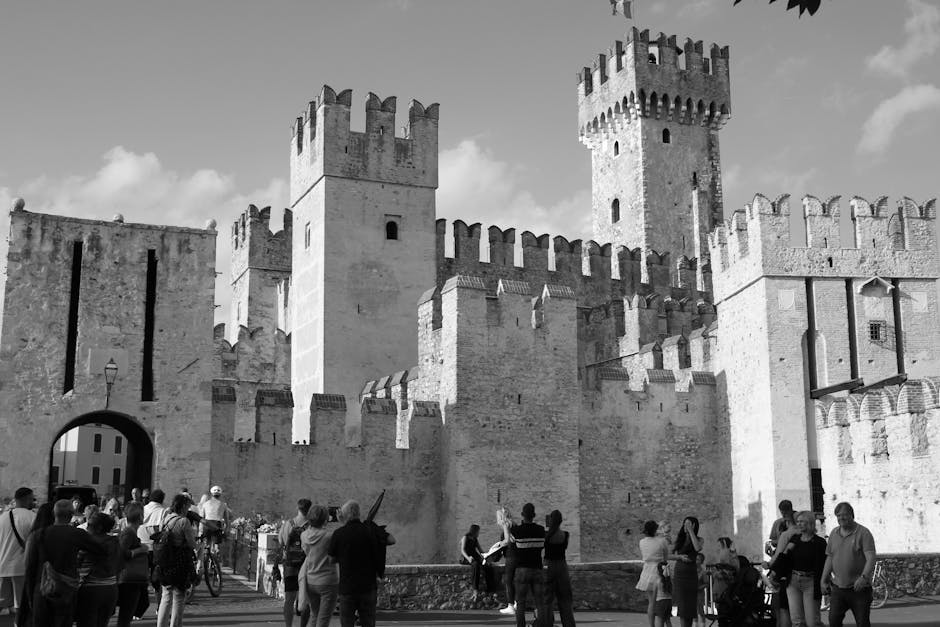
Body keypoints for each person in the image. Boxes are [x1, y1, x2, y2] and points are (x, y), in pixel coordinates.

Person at [28, 499, 105, 627]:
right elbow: (100, 550)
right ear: (71, 515)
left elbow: (30, 567)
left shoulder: (38, 535)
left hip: (41, 586)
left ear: (54, 514)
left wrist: (30, 596)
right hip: (66, 587)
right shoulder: (76, 534)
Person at [820, 502, 876, 627]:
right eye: (838, 516)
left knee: (862, 623)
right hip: (838, 588)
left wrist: (864, 578)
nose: (841, 518)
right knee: (833, 621)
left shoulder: (863, 533)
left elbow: (871, 558)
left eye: (844, 515)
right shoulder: (834, 533)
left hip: (859, 589)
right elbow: (830, 557)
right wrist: (823, 579)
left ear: (852, 515)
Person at [328, 500, 381, 627]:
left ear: (345, 515)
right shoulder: (369, 531)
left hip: (347, 587)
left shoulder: (339, 534)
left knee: (347, 623)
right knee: (368, 623)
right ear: (359, 514)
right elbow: (381, 548)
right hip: (368, 585)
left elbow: (331, 559)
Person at [770, 511, 826, 627]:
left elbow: (823, 564)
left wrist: (824, 581)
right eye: (798, 522)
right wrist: (775, 572)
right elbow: (784, 556)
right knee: (797, 621)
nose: (799, 524)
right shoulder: (795, 539)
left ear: (810, 523)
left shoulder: (819, 543)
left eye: (802, 522)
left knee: (812, 622)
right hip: (793, 581)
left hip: (810, 582)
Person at [156, 493, 198, 627]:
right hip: (180, 562)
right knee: (179, 597)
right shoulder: (183, 521)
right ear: (184, 506)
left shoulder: (166, 518)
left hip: (165, 561)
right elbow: (192, 544)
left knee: (166, 596)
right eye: (188, 506)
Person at [75, 512, 124, 627]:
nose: (86, 527)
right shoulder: (115, 542)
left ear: (98, 527)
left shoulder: (87, 542)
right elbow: (120, 566)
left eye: (89, 525)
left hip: (89, 589)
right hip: (111, 589)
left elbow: (76, 563)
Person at [14, 502, 54, 627]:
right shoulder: (54, 534)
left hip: (36, 581)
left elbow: (28, 562)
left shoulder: (35, 535)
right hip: (54, 582)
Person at [0, 488, 36, 618]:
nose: (33, 501)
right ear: (27, 499)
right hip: (21, 567)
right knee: (20, 608)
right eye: (32, 498)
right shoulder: (32, 517)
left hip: (2, 567)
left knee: (3, 609)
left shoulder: (3, 517)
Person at [301, 504, 338, 627]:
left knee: (314, 615)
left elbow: (307, 552)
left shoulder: (304, 535)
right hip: (327, 579)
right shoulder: (329, 536)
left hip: (311, 578)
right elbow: (335, 556)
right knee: (323, 619)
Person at [278, 498, 313, 627]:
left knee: (289, 599)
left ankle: (288, 626)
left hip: (290, 565)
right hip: (306, 566)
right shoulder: (311, 526)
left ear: (298, 508)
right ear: (309, 509)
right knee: (306, 600)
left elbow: (281, 542)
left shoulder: (288, 524)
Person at [510, 502, 545, 627]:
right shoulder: (541, 531)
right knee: (540, 602)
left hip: (522, 569)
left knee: (521, 603)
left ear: (522, 515)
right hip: (537, 568)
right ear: (534, 515)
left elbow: (508, 541)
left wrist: (505, 523)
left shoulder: (517, 531)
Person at [116, 502, 151, 627]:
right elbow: (122, 552)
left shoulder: (131, 532)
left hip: (132, 578)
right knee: (125, 616)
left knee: (132, 611)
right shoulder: (129, 532)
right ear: (140, 516)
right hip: (129, 579)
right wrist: (140, 550)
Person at [541, 509, 576, 627]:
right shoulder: (565, 535)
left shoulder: (546, 536)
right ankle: (569, 624)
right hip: (561, 565)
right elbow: (564, 548)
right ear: (561, 521)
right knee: (565, 599)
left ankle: (546, 623)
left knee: (547, 598)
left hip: (548, 565)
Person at [671, 516, 703, 627]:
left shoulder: (698, 539)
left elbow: (698, 548)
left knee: (690, 606)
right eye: (685, 524)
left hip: (691, 574)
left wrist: (690, 531)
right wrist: (679, 557)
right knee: (682, 605)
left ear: (694, 526)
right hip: (680, 574)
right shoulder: (680, 539)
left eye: (689, 524)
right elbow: (670, 554)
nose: (686, 526)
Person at [637, 520, 669, 627]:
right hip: (660, 570)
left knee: (651, 602)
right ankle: (664, 624)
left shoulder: (642, 542)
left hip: (647, 571)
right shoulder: (662, 541)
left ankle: (652, 625)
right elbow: (665, 557)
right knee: (662, 600)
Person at [459, 524, 495, 594]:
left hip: (474, 556)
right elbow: (462, 550)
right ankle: (475, 588)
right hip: (466, 557)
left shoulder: (475, 539)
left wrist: (488, 557)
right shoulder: (465, 537)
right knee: (475, 565)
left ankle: (490, 588)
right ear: (475, 531)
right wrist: (468, 558)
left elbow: (481, 551)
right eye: (478, 532)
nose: (478, 533)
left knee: (487, 565)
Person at [495, 506, 517, 615]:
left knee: (508, 580)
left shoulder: (505, 524)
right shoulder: (514, 524)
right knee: (516, 580)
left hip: (511, 556)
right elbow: (513, 539)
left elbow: (507, 540)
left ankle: (510, 605)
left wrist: (498, 545)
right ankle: (517, 602)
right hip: (518, 555)